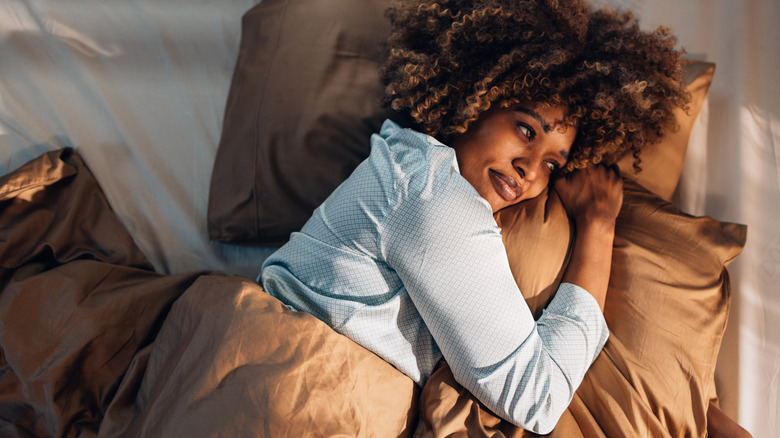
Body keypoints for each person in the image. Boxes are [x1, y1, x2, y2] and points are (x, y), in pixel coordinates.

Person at [260, 0, 689, 434]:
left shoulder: (407, 161)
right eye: (526, 130)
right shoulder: (434, 198)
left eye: (552, 165)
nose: (530, 170)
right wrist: (598, 225)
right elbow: (537, 399)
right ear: (474, 100)